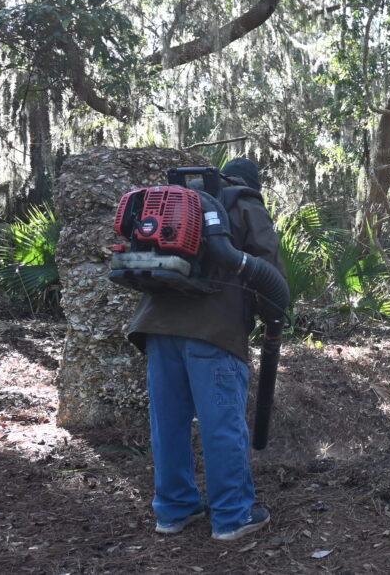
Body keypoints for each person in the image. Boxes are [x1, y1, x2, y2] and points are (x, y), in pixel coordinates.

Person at [127, 158, 286, 540]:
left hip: (158, 328)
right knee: (222, 426)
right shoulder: (245, 205)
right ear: (252, 183)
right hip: (213, 332)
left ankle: (173, 510)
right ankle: (232, 516)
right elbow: (269, 272)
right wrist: (272, 317)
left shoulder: (185, 201)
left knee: (168, 424)